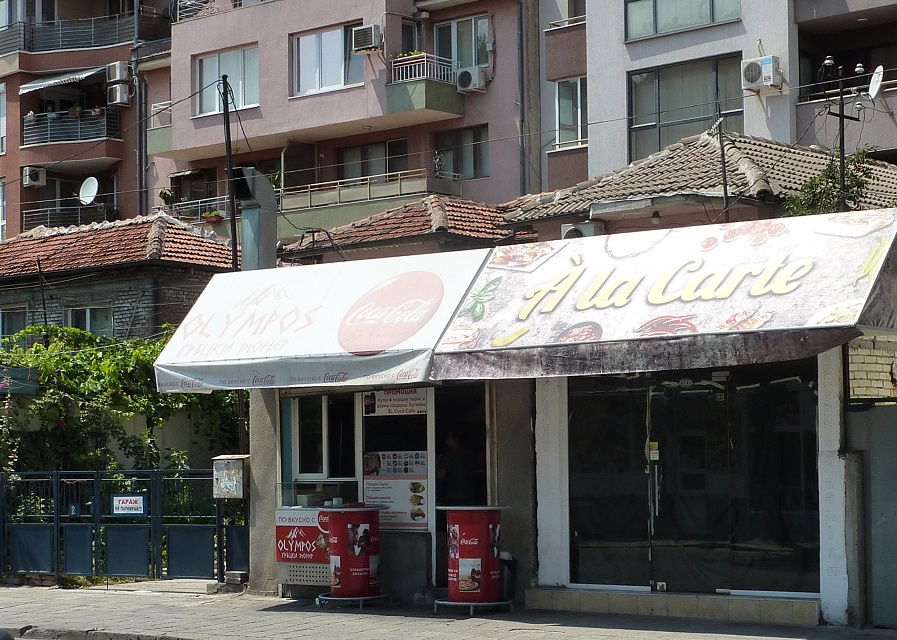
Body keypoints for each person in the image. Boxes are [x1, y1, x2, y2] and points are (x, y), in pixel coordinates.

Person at [437, 431, 479, 506]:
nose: (446, 442)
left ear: (455, 440)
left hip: (455, 495)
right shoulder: (470, 454)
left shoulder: (451, 455)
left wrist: (436, 463)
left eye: (448, 439)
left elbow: (440, 475)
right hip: (470, 494)